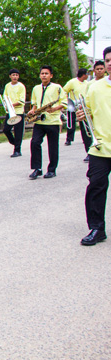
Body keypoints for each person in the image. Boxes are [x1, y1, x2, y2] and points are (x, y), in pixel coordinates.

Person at [77, 46, 111, 246]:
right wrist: (82, 115)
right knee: (96, 187)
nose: (110, 63)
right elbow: (87, 111)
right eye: (107, 60)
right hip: (100, 147)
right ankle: (97, 228)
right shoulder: (95, 87)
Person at [28, 65, 67, 179]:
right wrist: (32, 111)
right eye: (42, 73)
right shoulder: (36, 88)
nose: (44, 75)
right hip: (39, 121)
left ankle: (52, 169)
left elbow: (64, 102)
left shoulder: (57, 87)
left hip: (53, 120)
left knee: (53, 146)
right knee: (35, 142)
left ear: (51, 75)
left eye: (46, 73)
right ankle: (37, 169)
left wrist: (54, 109)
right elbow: (34, 104)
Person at [64, 69, 91, 162]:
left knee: (84, 126)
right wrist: (67, 100)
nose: (88, 75)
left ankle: (89, 147)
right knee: (70, 122)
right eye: (87, 74)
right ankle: (69, 139)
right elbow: (64, 90)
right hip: (73, 104)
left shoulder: (87, 83)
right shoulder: (72, 82)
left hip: (83, 106)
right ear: (83, 75)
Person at [2, 69, 26, 157]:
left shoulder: (21, 86)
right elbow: (5, 96)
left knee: (18, 131)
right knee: (6, 129)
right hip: (10, 111)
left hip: (18, 111)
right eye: (13, 75)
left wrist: (12, 104)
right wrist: (6, 104)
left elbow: (21, 100)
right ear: (10, 76)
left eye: (16, 75)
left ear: (18, 76)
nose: (15, 76)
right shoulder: (7, 86)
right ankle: (15, 142)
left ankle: (17, 150)